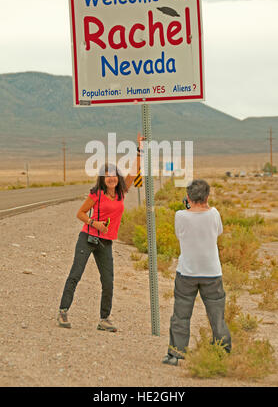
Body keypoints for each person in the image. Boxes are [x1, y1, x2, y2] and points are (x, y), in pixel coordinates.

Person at [57, 133, 144, 332]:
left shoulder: (121, 193)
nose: (111, 178)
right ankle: (63, 311)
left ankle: (104, 319)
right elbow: (79, 213)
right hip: (88, 238)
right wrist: (93, 222)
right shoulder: (96, 194)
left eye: (114, 175)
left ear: (117, 177)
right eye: (107, 176)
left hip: (106, 242)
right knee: (75, 274)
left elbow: (134, 171)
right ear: (103, 179)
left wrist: (140, 149)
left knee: (108, 281)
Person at [162, 179, 231, 365]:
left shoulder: (180, 216)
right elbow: (218, 232)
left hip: (187, 272)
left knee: (181, 315)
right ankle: (223, 351)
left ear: (188, 197)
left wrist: (188, 208)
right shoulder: (215, 214)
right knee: (217, 315)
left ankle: (175, 353)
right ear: (207, 196)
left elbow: (179, 234)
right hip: (212, 272)